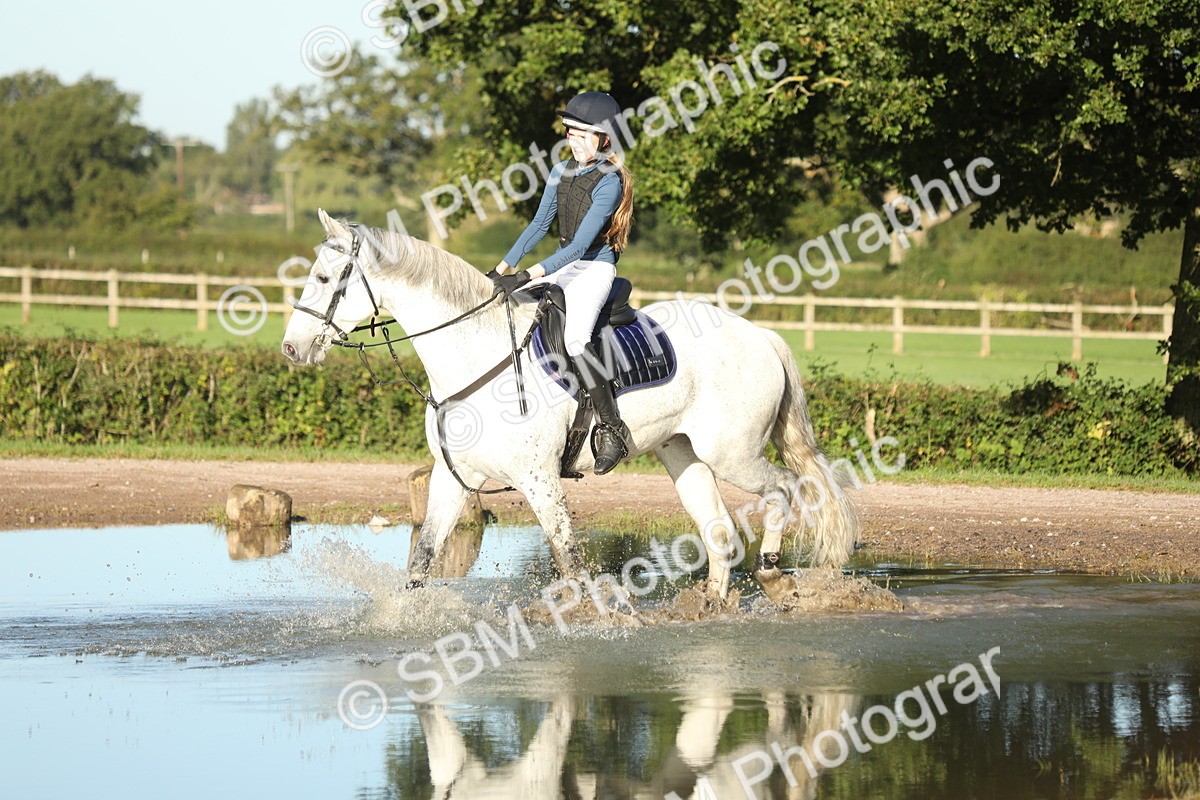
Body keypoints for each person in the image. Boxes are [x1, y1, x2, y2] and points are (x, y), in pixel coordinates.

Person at [489, 91, 635, 475]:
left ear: (605, 139)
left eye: (584, 134)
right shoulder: (560, 171)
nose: (574, 140)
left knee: (575, 340)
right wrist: (502, 268)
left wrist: (526, 275)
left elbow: (580, 248)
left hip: (593, 269)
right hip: (563, 264)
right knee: (504, 306)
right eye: (570, 132)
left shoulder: (610, 182)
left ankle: (611, 428)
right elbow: (539, 225)